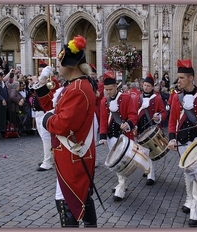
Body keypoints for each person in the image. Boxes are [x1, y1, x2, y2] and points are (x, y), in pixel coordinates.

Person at [36, 35, 98, 227]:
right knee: (81, 198)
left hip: (73, 155)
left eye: (59, 63)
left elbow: (62, 124)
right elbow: (49, 104)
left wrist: (47, 119)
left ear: (70, 65)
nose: (58, 67)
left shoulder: (78, 89)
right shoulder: (73, 86)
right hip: (71, 154)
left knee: (67, 201)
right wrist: (43, 81)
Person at [167, 59, 197, 227]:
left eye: (181, 78)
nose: (178, 81)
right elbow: (172, 121)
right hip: (181, 142)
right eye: (178, 78)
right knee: (187, 173)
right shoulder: (176, 97)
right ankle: (189, 199)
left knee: (196, 175)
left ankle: (196, 208)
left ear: (191, 78)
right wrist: (172, 138)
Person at [99, 70, 138, 201]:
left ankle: (121, 187)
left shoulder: (126, 98)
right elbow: (103, 120)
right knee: (116, 162)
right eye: (106, 89)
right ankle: (122, 182)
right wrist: (103, 136)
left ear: (116, 86)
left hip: (123, 136)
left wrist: (127, 123)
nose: (108, 92)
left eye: (110, 89)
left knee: (121, 162)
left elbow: (133, 115)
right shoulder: (104, 101)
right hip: (111, 136)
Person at [135, 72, 167, 185]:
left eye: (148, 86)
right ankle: (146, 168)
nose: (146, 87)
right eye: (144, 85)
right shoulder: (138, 98)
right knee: (143, 151)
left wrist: (158, 117)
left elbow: (164, 113)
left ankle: (151, 175)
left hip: (152, 128)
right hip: (141, 128)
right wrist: (134, 125)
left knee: (151, 151)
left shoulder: (157, 98)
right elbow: (134, 113)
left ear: (152, 87)